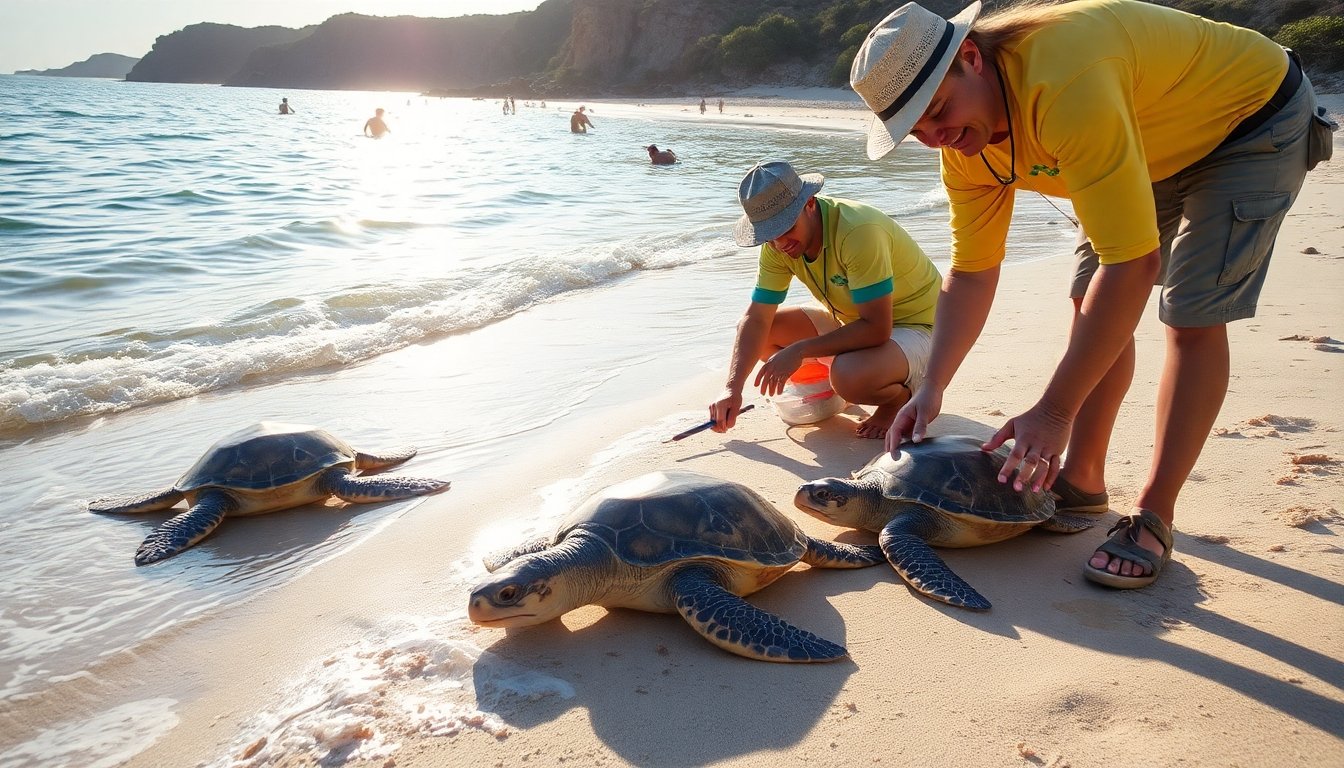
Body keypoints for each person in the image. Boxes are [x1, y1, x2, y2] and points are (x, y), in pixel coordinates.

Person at [849, 0, 1336, 588]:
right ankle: (1083, 477)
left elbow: (1132, 265)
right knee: (1089, 302)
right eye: (914, 132)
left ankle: (1154, 514)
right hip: (1147, 141)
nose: (937, 138)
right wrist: (932, 386)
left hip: (1249, 120)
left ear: (971, 58)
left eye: (938, 111)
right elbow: (973, 274)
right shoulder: (964, 151)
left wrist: (1053, 412)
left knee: (1189, 315)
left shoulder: (1064, 83)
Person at [710, 160, 942, 440]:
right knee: (766, 332)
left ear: (809, 203)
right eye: (769, 236)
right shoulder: (777, 245)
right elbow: (756, 317)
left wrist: (799, 350)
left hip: (923, 328)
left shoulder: (858, 231)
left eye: (786, 228)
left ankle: (896, 400)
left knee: (848, 375)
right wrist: (732, 388)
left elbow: (877, 328)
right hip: (855, 320)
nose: (780, 244)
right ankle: (837, 389)